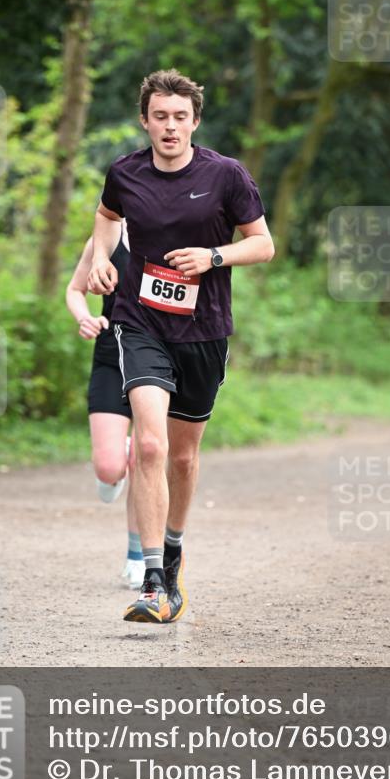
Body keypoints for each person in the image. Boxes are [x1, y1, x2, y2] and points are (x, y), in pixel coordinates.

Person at [88, 68, 274, 623]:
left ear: (195, 122)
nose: (170, 127)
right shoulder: (125, 173)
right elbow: (106, 217)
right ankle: (150, 581)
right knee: (149, 447)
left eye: (180, 118)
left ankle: (172, 552)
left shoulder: (226, 176)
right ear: (144, 120)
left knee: (184, 456)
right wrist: (101, 258)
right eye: (160, 117)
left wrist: (214, 256)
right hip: (139, 321)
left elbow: (263, 244)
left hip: (204, 330)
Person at [65, 220, 144, 589]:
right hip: (112, 355)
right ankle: (122, 456)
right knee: (109, 469)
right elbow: (75, 289)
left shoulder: (180, 233)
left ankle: (137, 556)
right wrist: (85, 317)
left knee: (147, 459)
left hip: (160, 359)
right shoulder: (105, 239)